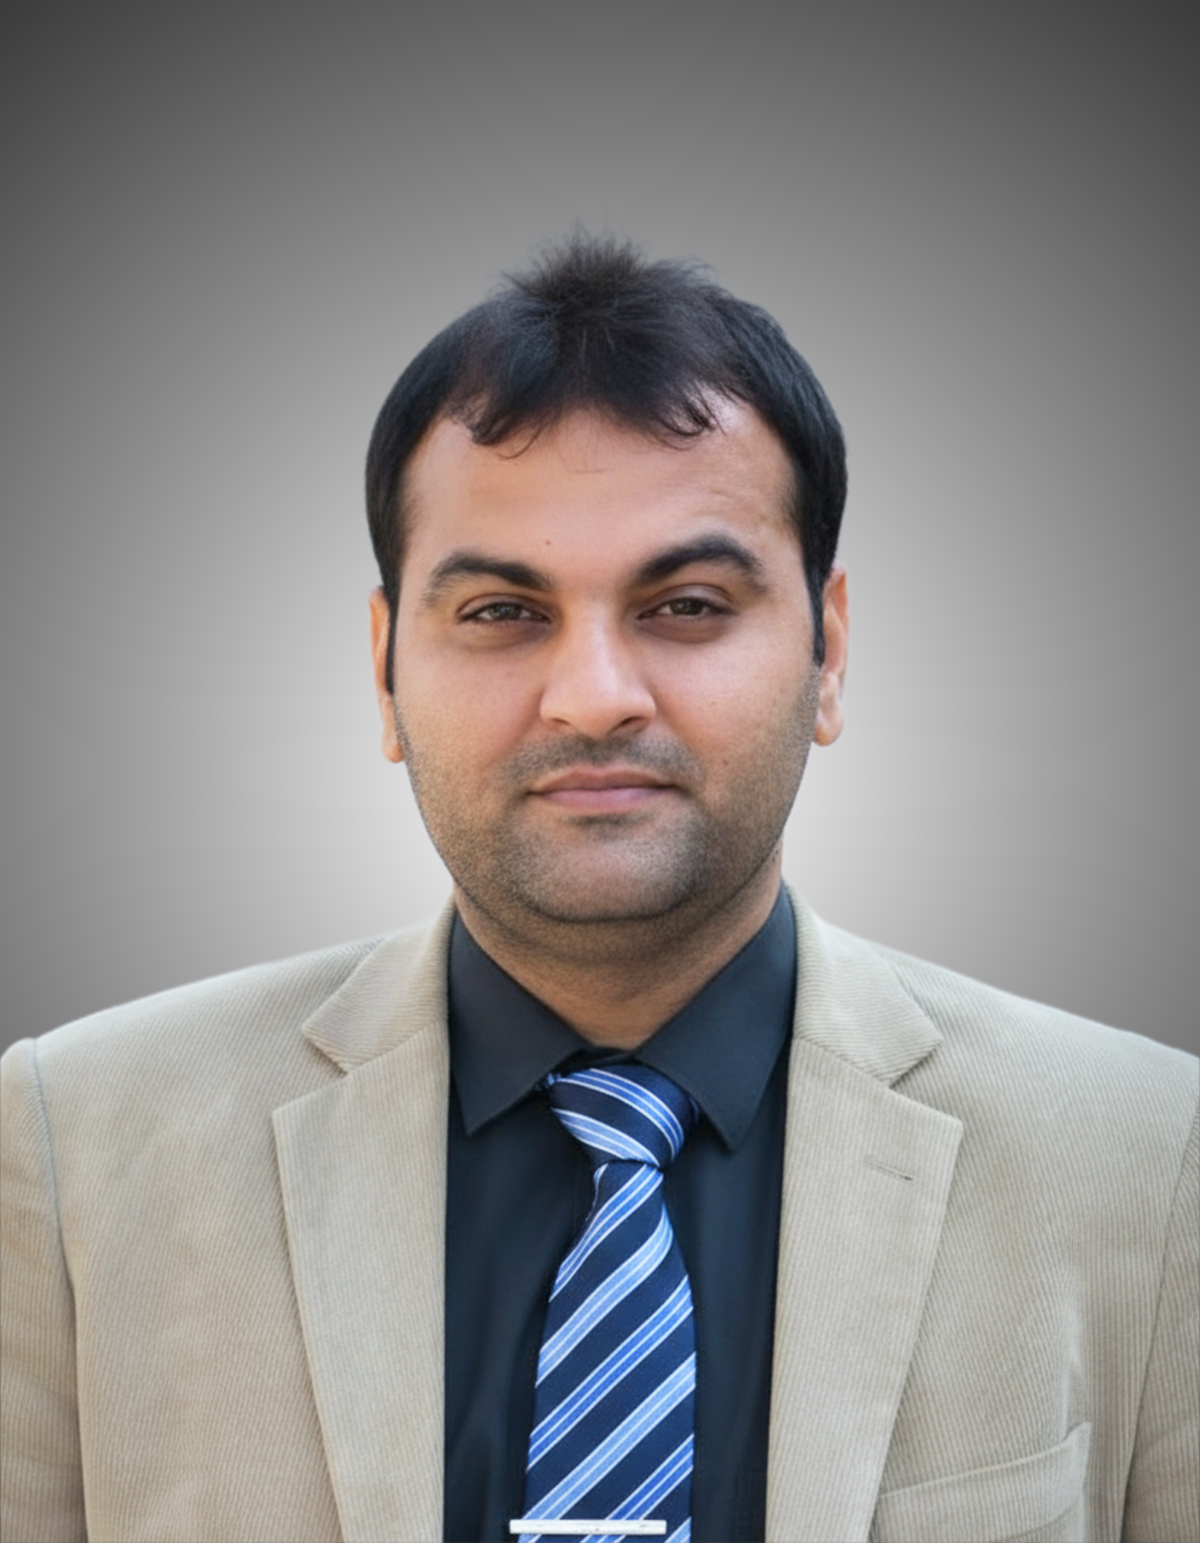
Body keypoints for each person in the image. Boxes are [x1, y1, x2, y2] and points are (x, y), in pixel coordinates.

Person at [1, 234, 1196, 1543]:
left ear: (830, 651)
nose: (593, 698)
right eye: (501, 613)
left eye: (687, 605)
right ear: (384, 669)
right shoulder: (76, 1149)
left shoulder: (1150, 1159)